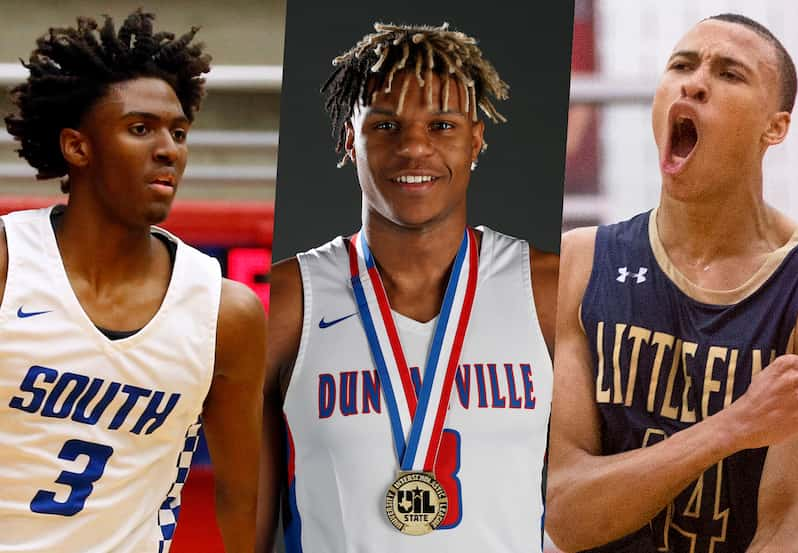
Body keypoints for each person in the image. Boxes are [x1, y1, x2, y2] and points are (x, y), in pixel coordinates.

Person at [260, 22, 558, 553]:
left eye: (442, 125)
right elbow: (249, 520)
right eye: (387, 126)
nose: (414, 147)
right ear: (349, 140)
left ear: (476, 140)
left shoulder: (546, 290)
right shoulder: (289, 299)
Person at [547, 13, 798, 553]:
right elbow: (566, 514)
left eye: (729, 74)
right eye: (681, 65)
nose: (694, 82)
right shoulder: (583, 263)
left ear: (776, 126)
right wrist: (732, 427)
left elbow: (788, 532)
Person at [0, 11, 265, 553]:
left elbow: (244, 498)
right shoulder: (8, 267)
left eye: (179, 132)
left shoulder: (225, 313)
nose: (168, 148)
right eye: (140, 128)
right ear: (78, 147)